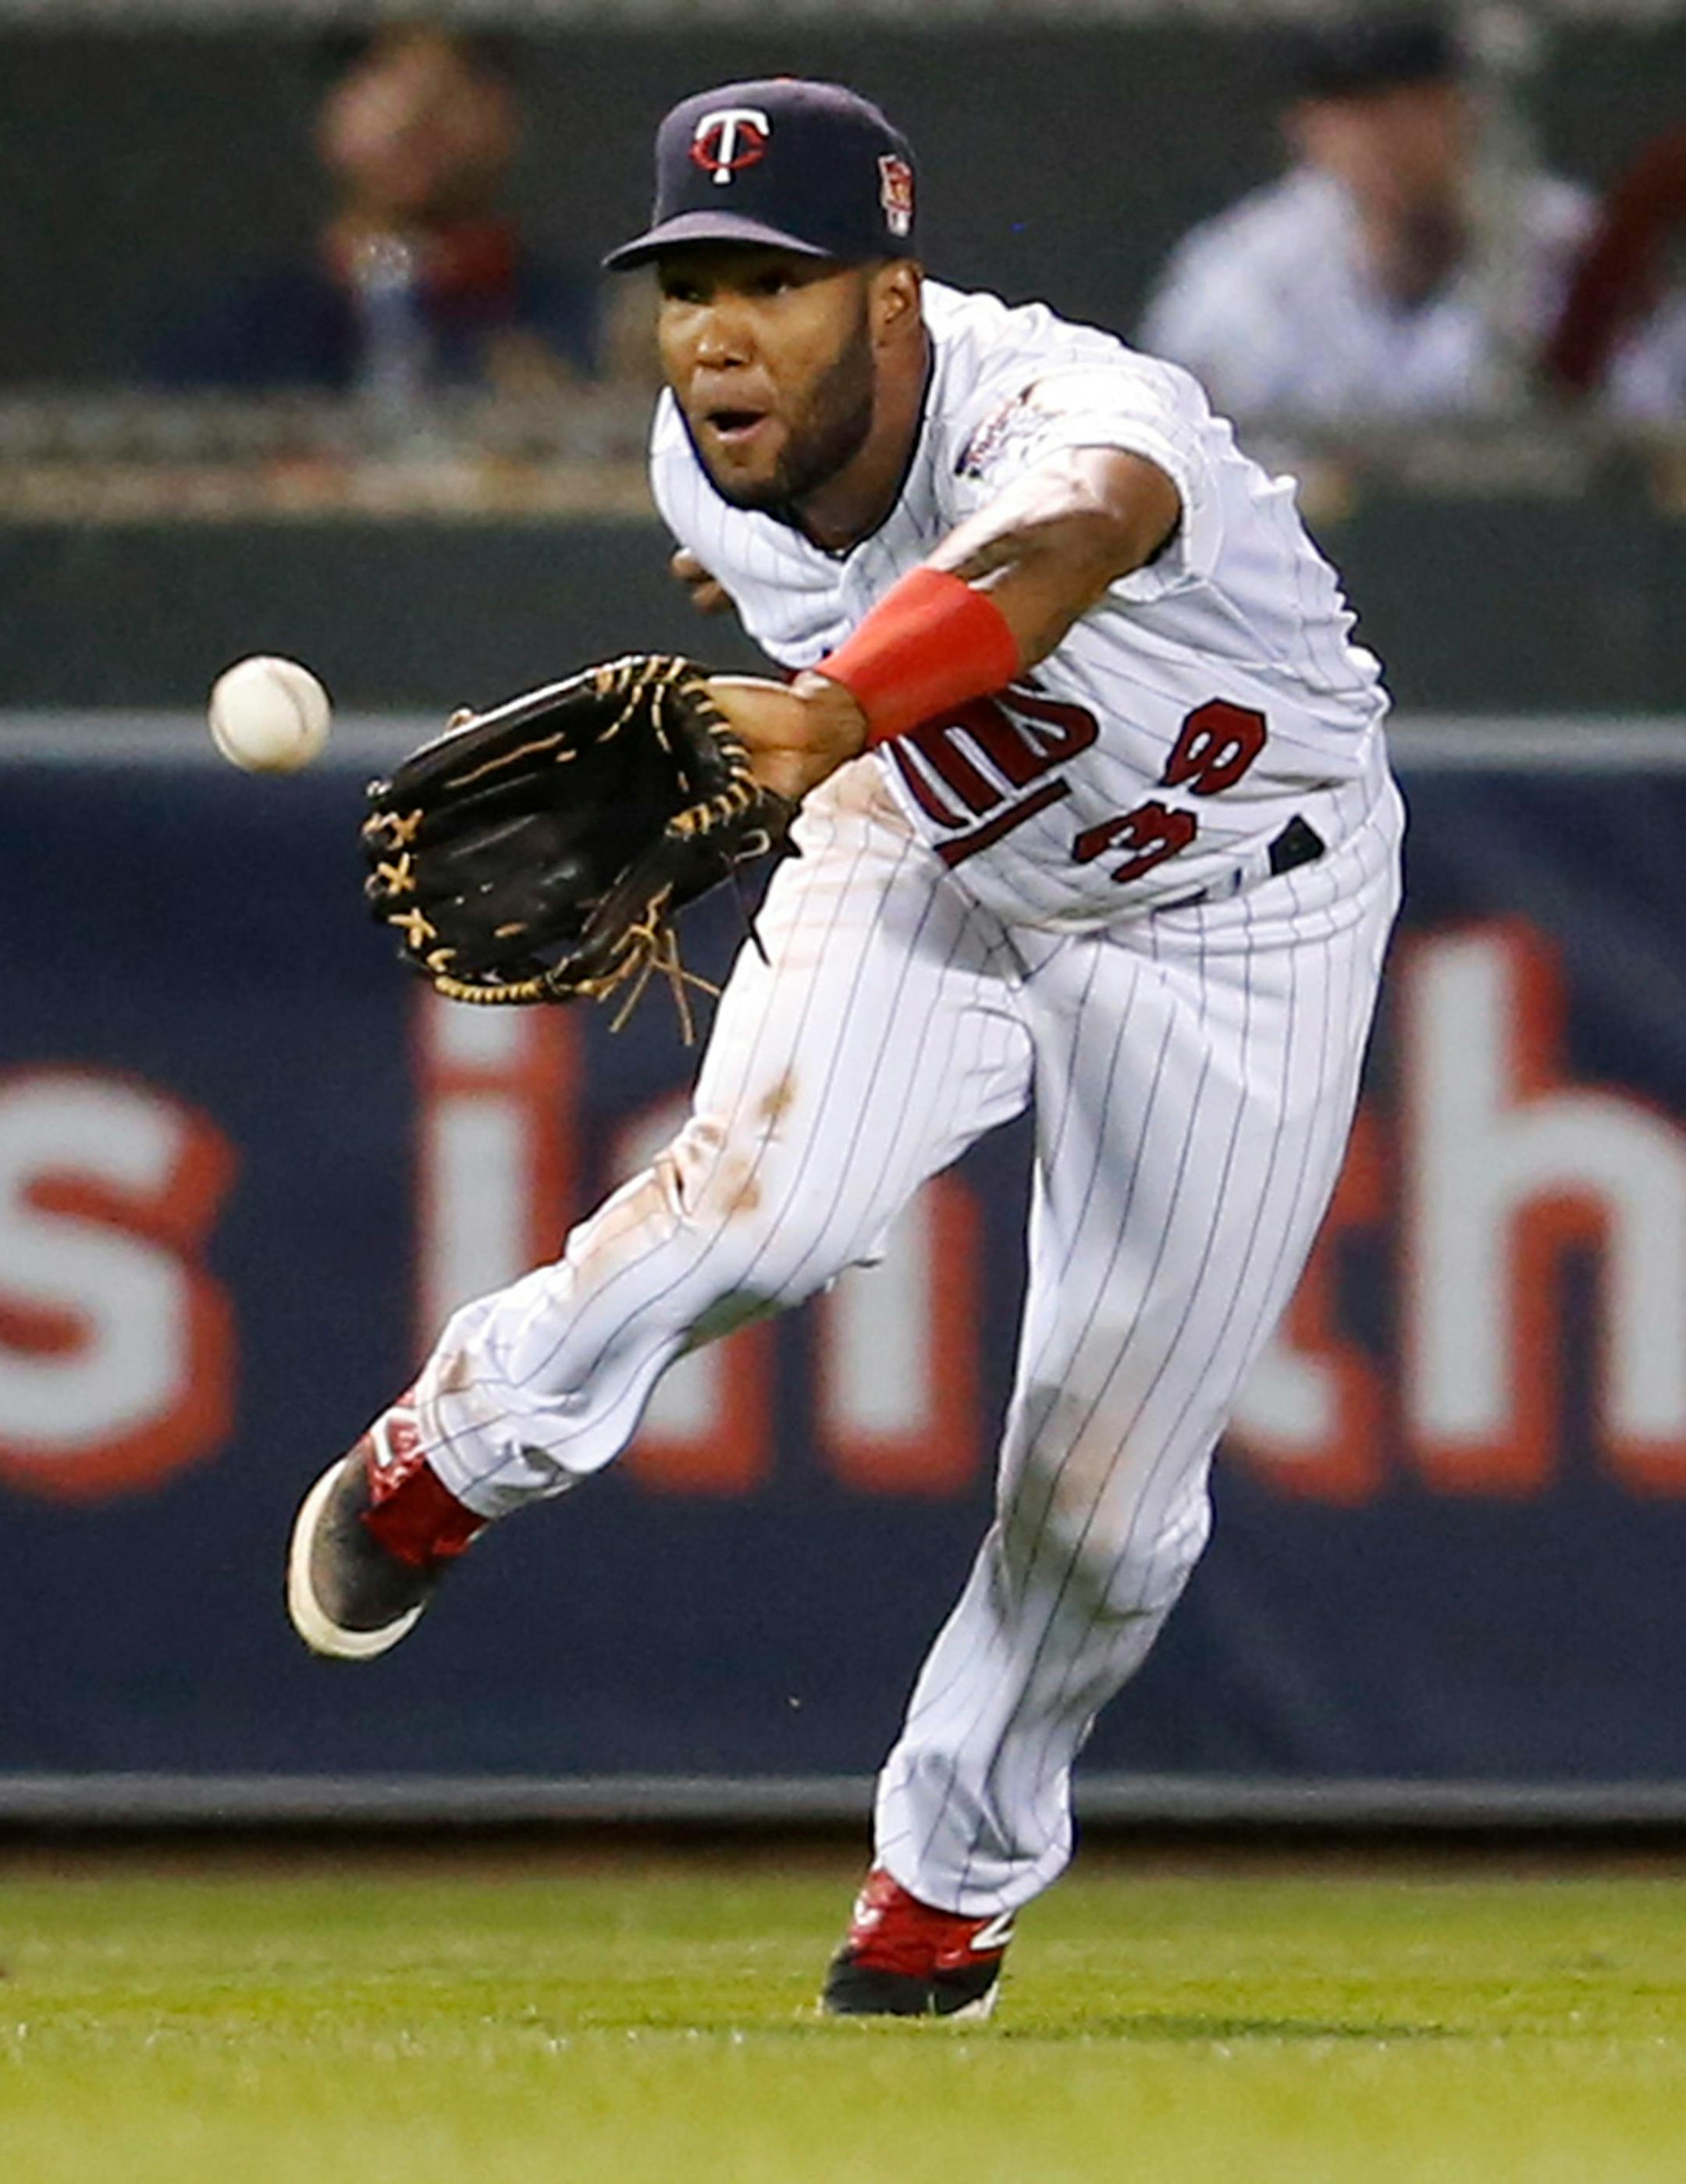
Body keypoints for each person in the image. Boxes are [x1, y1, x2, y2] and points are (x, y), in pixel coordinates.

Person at [286, 78, 1404, 2019]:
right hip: (931, 851)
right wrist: (812, 686)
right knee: (759, 1213)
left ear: (893, 294)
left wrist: (823, 700)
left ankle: (938, 1895)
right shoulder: (696, 457)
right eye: (687, 282)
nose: (719, 332)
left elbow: (1047, 551)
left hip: (1240, 897)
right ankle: (453, 1444)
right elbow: (800, 597)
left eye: (777, 283)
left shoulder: (1075, 412)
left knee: (1105, 1485)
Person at [1137, 16, 1590, 419]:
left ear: (1468, 107)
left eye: (1413, 99)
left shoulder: (1569, 245)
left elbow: (1642, 450)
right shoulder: (1240, 267)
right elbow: (1184, 452)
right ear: (1304, 124)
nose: (1384, 133)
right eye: (1353, 106)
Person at [150, 23, 599, 394]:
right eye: (381, 65)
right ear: (329, 108)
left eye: (468, 69)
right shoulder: (239, 339)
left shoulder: (578, 330)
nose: (420, 103)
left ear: (512, 115)